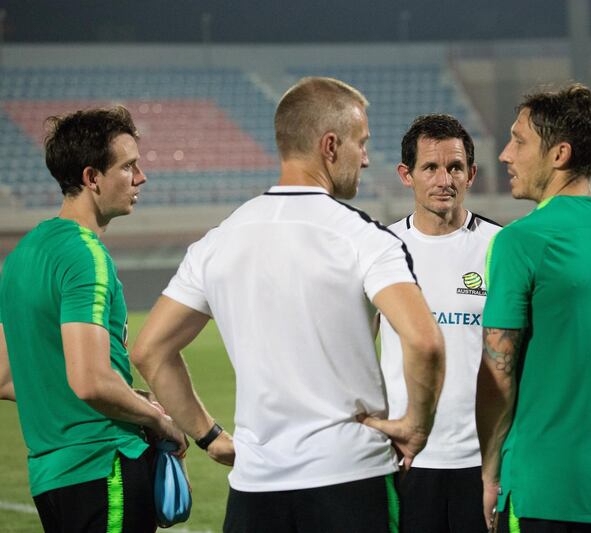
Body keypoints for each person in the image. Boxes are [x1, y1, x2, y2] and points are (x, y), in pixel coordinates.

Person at [130, 76, 446, 533]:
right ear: (330, 145)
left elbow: (150, 350)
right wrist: (417, 427)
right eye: (362, 143)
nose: (366, 157)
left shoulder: (219, 241)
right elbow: (425, 342)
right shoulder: (363, 237)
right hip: (351, 478)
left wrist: (210, 437)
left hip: (256, 487)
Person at [476, 84, 591, 532]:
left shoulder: (520, 241)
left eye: (518, 141)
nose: (504, 155)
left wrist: (487, 473)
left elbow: (498, 370)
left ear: (559, 154)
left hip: (544, 488)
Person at [0, 106, 188, 532]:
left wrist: (123, 392)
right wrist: (159, 419)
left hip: (51, 479)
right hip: (104, 465)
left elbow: (5, 377)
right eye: (129, 167)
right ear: (91, 177)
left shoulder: (20, 257)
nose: (141, 178)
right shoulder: (87, 256)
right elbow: (88, 380)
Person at [378, 114, 501, 532]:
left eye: (455, 167)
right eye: (430, 167)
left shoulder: (501, 248)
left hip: (483, 462)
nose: (444, 178)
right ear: (406, 175)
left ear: (472, 174)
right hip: (407, 460)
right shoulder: (381, 251)